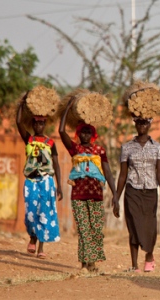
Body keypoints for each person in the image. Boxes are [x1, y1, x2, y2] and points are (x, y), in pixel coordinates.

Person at [58, 104, 118, 272]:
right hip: (78, 195)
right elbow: (61, 132)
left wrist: (115, 195)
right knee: (84, 229)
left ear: (93, 135)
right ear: (78, 134)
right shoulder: (75, 149)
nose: (85, 135)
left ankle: (89, 262)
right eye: (82, 132)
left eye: (88, 132)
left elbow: (108, 172)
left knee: (96, 229)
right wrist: (67, 110)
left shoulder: (99, 150)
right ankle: (87, 264)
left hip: (96, 195)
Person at [113, 117, 160, 273]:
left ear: (150, 124)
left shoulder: (158, 147)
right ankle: (134, 265)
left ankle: (149, 256)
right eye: (139, 123)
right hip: (132, 190)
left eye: (145, 123)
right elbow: (123, 174)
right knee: (134, 225)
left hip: (150, 191)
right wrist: (116, 197)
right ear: (135, 124)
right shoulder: (127, 148)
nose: (142, 126)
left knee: (150, 226)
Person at [16, 94, 64, 259]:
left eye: (42, 123)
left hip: (46, 181)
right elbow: (18, 122)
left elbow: (56, 164)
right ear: (33, 123)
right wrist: (22, 104)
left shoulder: (51, 143)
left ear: (45, 124)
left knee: (44, 212)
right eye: (36, 122)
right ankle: (32, 238)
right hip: (31, 181)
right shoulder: (29, 139)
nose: (39, 125)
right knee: (31, 212)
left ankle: (41, 247)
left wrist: (60, 186)